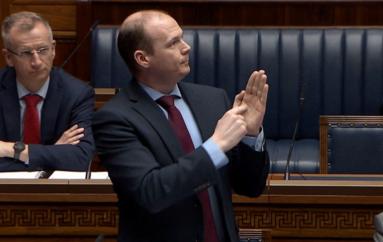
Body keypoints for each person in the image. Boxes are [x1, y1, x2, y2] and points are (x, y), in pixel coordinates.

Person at [93, 10, 269, 242]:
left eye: (182, 38)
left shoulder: (213, 100)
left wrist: (249, 135)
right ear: (143, 58)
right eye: (173, 43)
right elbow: (151, 191)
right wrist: (216, 145)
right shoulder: (115, 118)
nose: (186, 47)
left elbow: (250, 187)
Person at [0, 11, 95, 171]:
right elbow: (66, 158)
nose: (36, 61)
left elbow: (81, 159)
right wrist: (54, 152)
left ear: (53, 49)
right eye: (25, 53)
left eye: (43, 50)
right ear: (8, 57)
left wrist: (11, 150)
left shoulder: (77, 94)